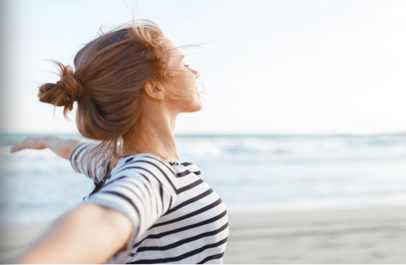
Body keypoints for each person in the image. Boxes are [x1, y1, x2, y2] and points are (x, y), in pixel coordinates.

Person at [10, 20, 228, 264]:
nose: (195, 72)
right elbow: (102, 220)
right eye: (184, 64)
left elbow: (72, 148)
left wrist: (43, 140)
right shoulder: (152, 173)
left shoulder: (111, 162)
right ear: (155, 87)